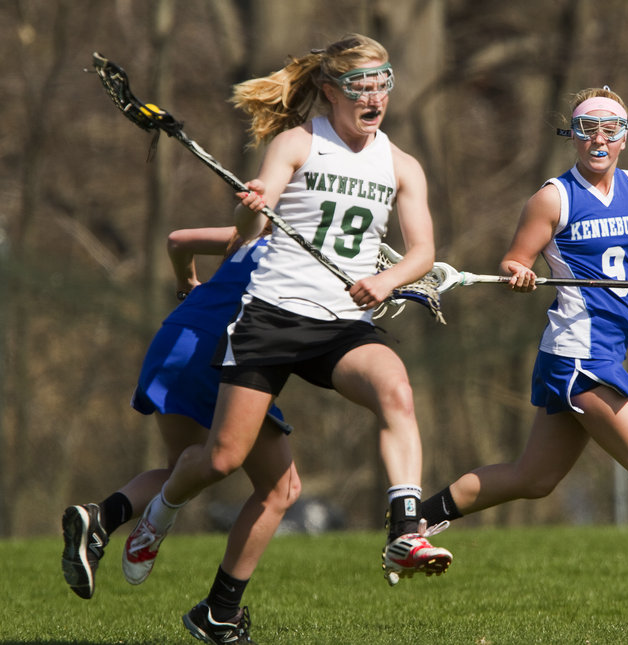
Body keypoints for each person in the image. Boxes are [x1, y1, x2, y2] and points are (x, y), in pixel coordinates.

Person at [122, 33, 452, 644]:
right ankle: (162, 509)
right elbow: (250, 225)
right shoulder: (296, 144)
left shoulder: (401, 164)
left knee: (396, 390)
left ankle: (405, 529)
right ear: (330, 91)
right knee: (222, 459)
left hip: (342, 322)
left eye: (383, 85)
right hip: (272, 317)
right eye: (361, 87)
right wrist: (251, 206)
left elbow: (425, 252)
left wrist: (387, 278)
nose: (375, 98)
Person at [418, 87, 628, 622]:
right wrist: (519, 272)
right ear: (572, 135)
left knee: (534, 479)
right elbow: (515, 258)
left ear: (625, 136)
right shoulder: (553, 197)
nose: (598, 139)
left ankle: (416, 517)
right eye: (587, 128)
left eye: (610, 129)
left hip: (604, 351)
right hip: (578, 353)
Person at [61, 224, 298, 634]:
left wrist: (187, 282)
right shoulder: (309, 247)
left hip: (176, 334)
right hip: (221, 354)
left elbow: (177, 241)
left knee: (184, 469)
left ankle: (101, 518)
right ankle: (221, 612)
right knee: (280, 488)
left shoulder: (252, 232)